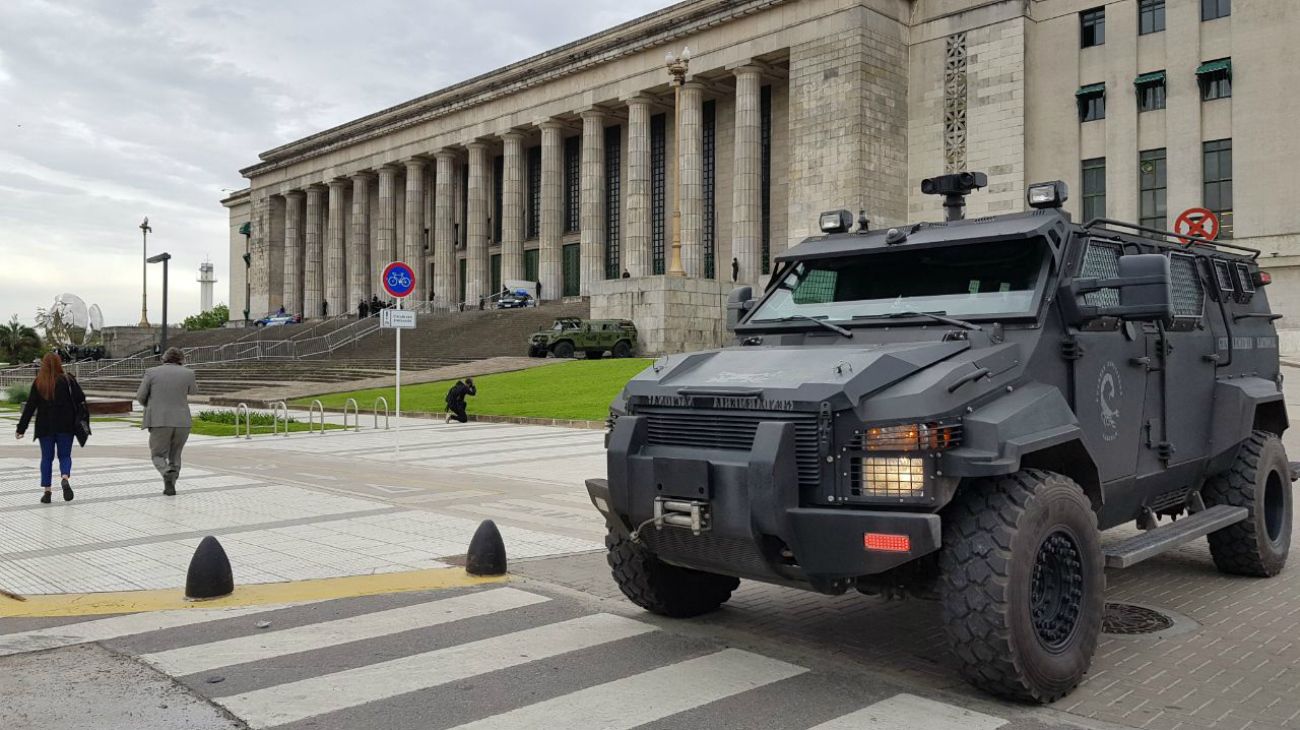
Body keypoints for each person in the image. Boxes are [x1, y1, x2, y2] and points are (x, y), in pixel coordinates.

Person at [15, 353, 86, 504]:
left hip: (45, 427)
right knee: (64, 456)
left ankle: (47, 492)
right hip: (66, 426)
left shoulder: (39, 382)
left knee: (46, 458)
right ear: (59, 363)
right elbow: (80, 398)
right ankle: (65, 477)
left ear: (44, 365)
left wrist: (21, 428)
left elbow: (29, 407)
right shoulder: (68, 380)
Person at [136, 347, 197, 496]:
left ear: (164, 358)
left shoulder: (151, 372)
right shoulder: (189, 373)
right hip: (182, 422)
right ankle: (171, 485)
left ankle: (165, 472)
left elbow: (140, 396)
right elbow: (193, 391)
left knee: (157, 454)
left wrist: (150, 406)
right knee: (176, 455)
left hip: (159, 420)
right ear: (181, 360)